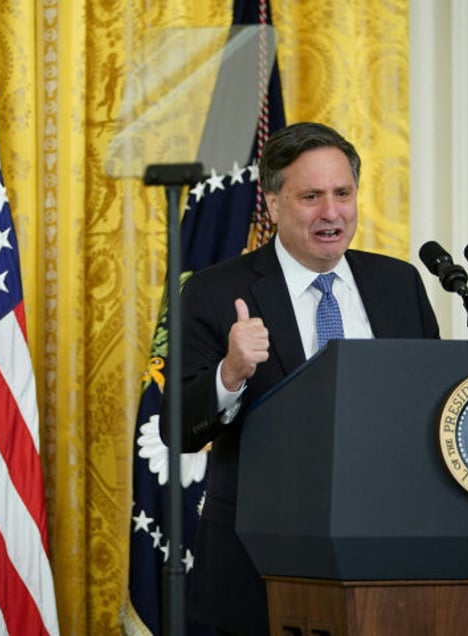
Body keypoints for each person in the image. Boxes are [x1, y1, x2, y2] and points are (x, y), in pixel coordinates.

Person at [161, 122, 440, 635]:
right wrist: (231, 372)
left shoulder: (399, 284)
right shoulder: (214, 291)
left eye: (343, 193)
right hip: (257, 561)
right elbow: (176, 429)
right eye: (311, 196)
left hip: (388, 555)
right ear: (272, 204)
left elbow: (429, 412)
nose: (331, 212)